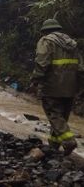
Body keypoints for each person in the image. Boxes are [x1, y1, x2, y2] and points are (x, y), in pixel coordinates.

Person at [32, 18, 84, 155]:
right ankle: (54, 144)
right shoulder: (72, 43)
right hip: (71, 87)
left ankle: (69, 142)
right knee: (62, 116)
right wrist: (79, 86)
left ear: (45, 31)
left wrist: (36, 79)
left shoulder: (46, 41)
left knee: (54, 114)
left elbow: (41, 63)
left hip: (51, 86)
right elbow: (80, 67)